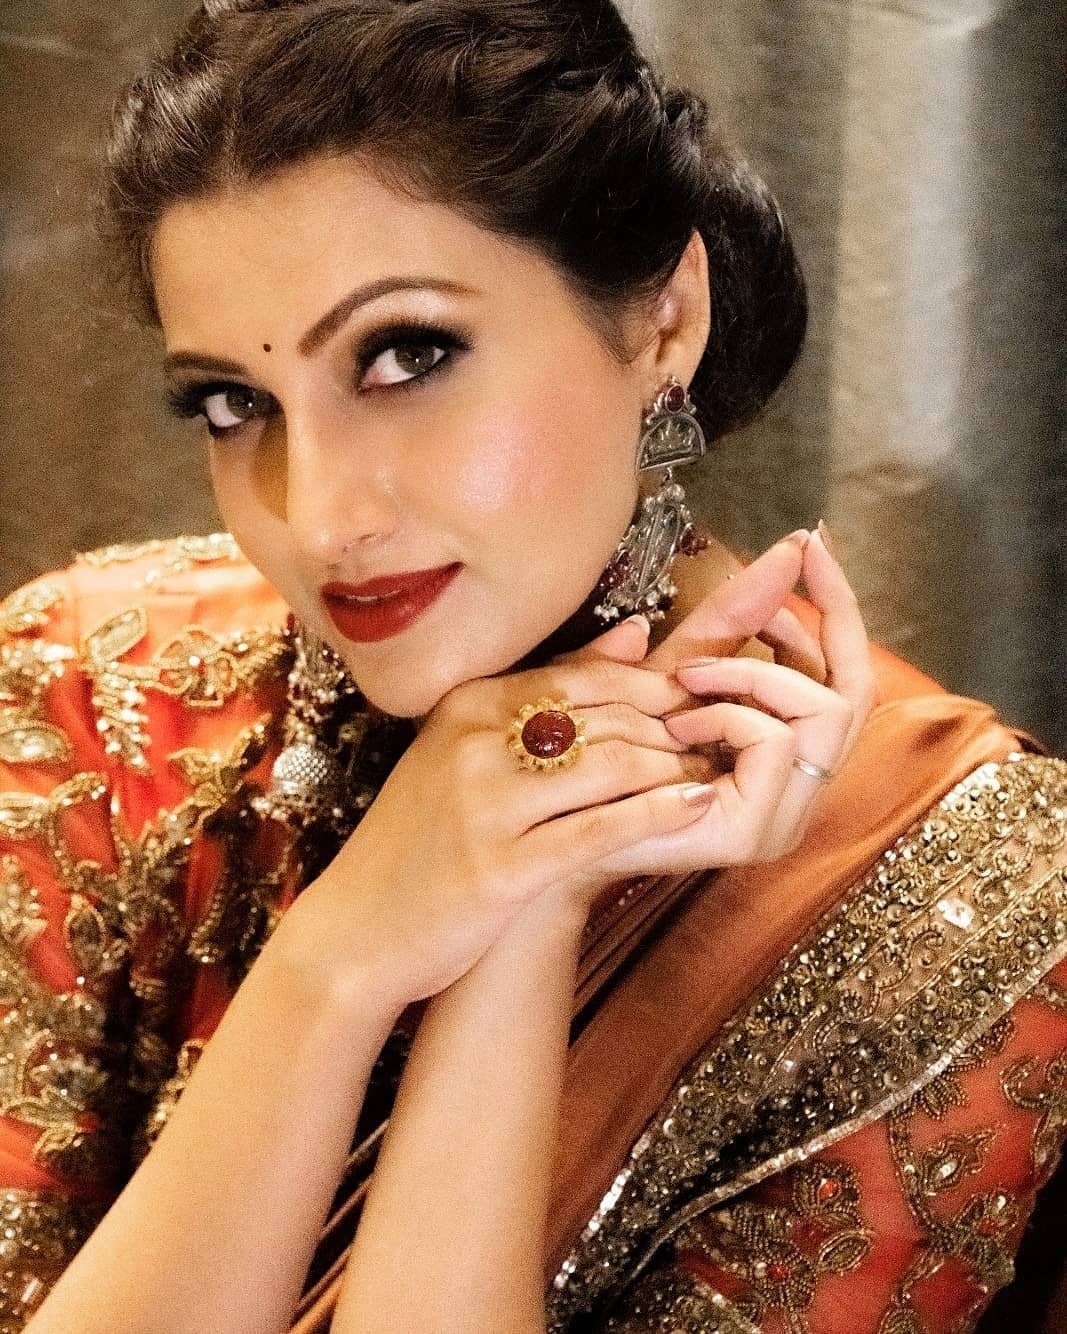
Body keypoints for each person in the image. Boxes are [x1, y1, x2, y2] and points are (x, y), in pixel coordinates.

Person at [0, 1, 1062, 1330]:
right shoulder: (104, 693)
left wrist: (535, 895)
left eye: (407, 355)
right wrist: (336, 961)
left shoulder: (972, 898)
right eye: (234, 403)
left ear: (665, 320)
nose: (319, 515)